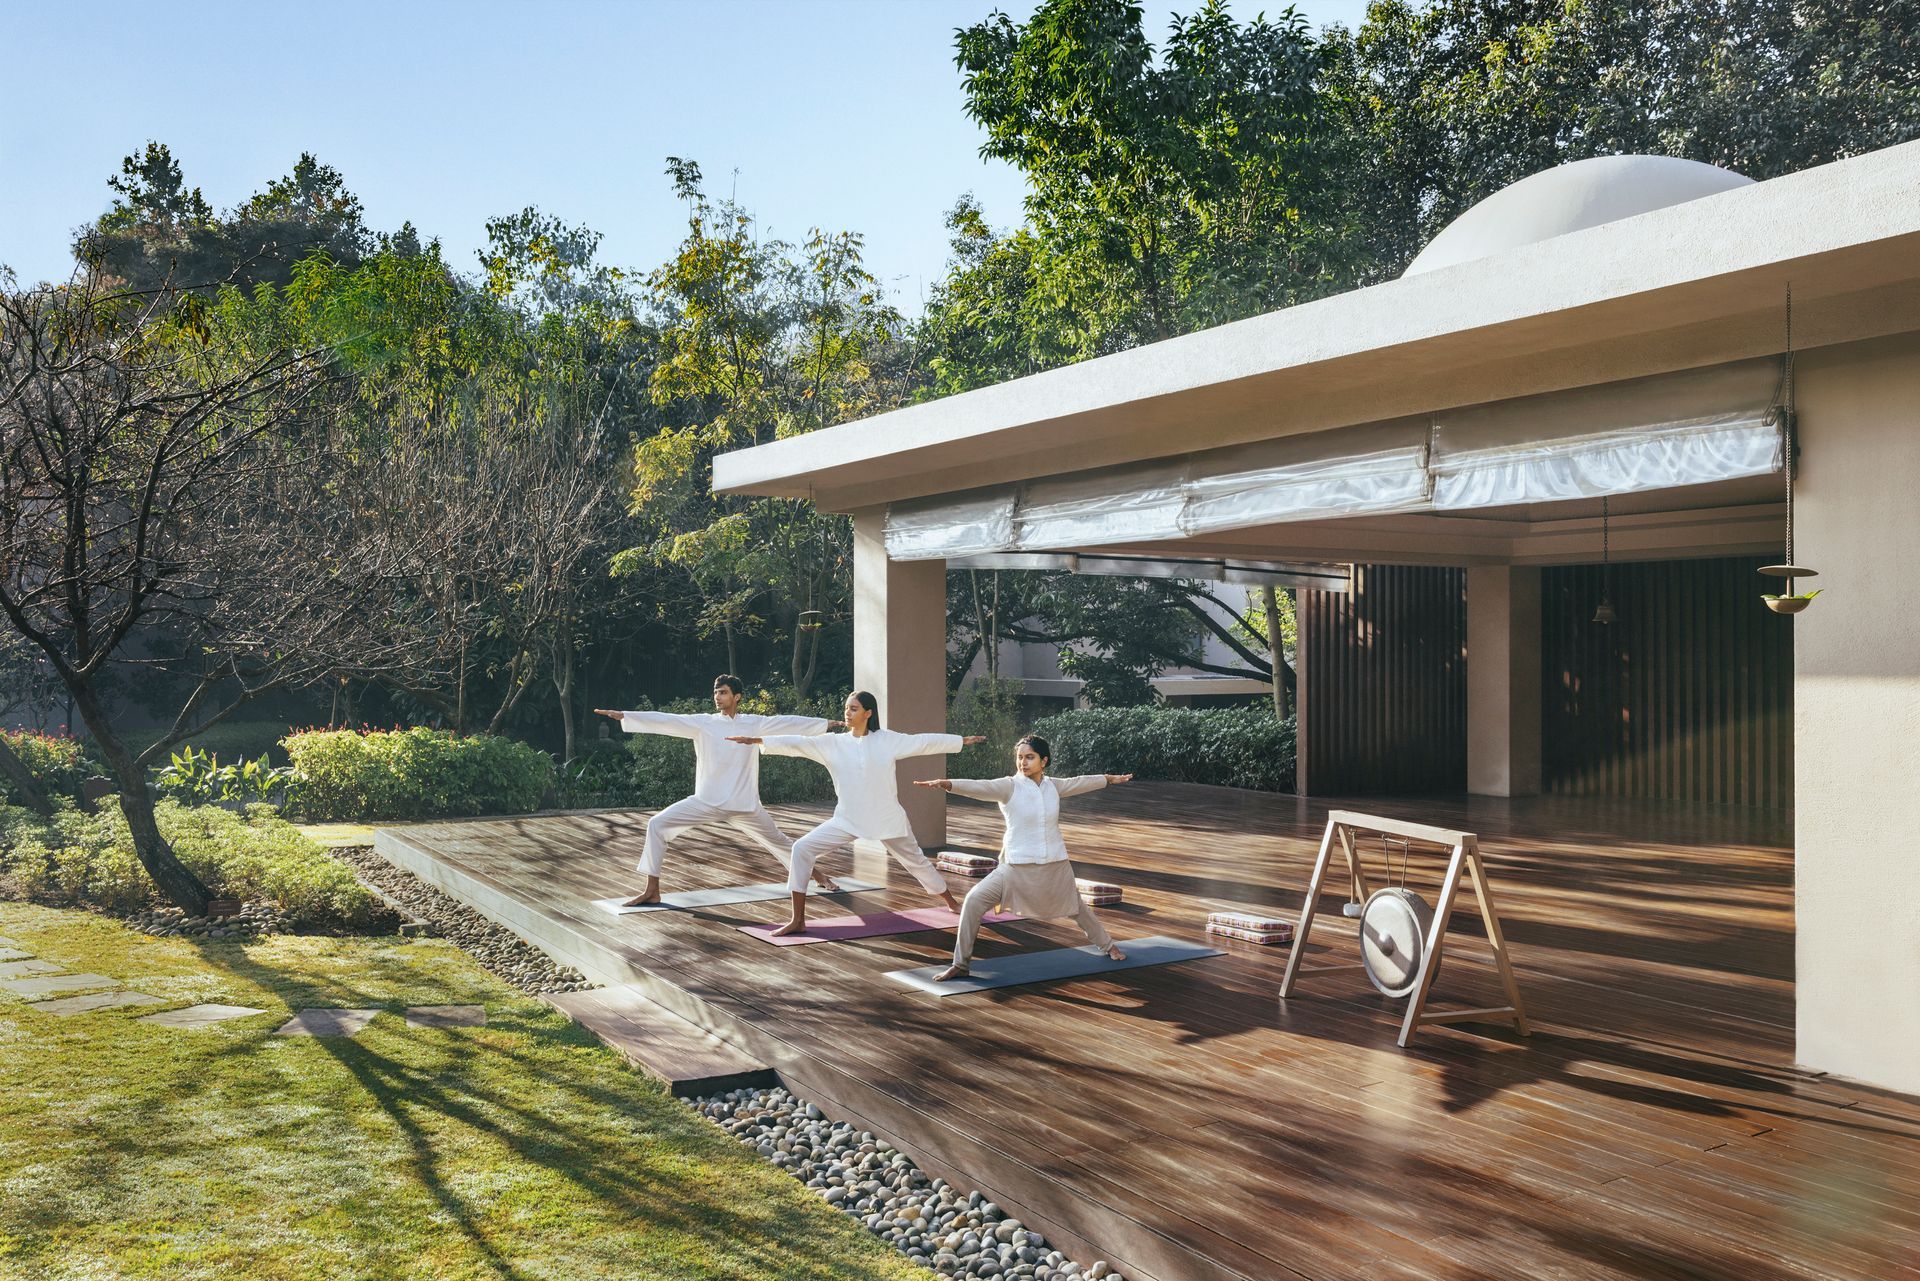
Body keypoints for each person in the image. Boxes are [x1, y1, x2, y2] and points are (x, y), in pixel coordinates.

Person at [727, 690, 984, 936]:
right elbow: (799, 744)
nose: (847, 713)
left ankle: (951, 902)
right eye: (846, 708)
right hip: (848, 819)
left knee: (916, 861)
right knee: (802, 849)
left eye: (854, 708)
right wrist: (760, 740)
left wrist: (960, 741)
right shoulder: (833, 743)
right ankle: (798, 919)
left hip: (887, 818)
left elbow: (923, 742)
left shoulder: (888, 740)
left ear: (868, 713)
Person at [592, 675, 844, 907]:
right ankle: (652, 889)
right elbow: (667, 719)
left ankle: (818, 875)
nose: (717, 697)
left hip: (744, 805)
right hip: (706, 801)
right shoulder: (704, 723)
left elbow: (786, 723)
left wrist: (824, 724)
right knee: (657, 825)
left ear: (737, 697)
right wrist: (625, 715)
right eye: (715, 692)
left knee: (781, 843)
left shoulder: (753, 724)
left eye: (723, 692)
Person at [914, 734, 1131, 982]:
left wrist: (1109, 779)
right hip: (1015, 868)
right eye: (1019, 757)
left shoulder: (1053, 786)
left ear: (1044, 761)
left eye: (1030, 757)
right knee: (973, 901)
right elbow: (980, 786)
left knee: (1078, 908)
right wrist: (947, 783)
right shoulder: (1009, 786)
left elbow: (1079, 782)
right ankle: (960, 964)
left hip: (1054, 866)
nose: (1023, 762)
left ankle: (1109, 946)